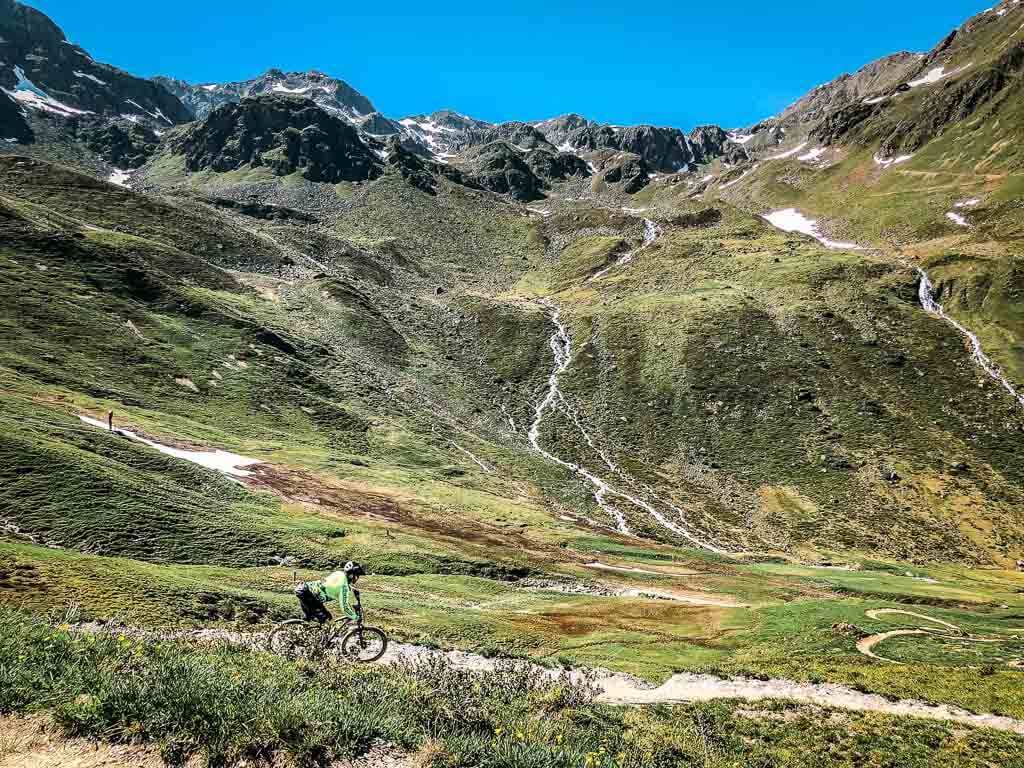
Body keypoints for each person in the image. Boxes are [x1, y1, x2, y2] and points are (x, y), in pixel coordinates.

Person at [294, 561, 364, 624]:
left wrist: (350, 588)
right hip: (308, 595)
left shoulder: (339, 573)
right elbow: (345, 609)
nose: (357, 578)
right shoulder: (343, 587)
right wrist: (356, 617)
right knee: (326, 620)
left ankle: (302, 631)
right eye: (357, 575)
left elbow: (332, 584)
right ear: (352, 575)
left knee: (315, 619)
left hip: (304, 589)